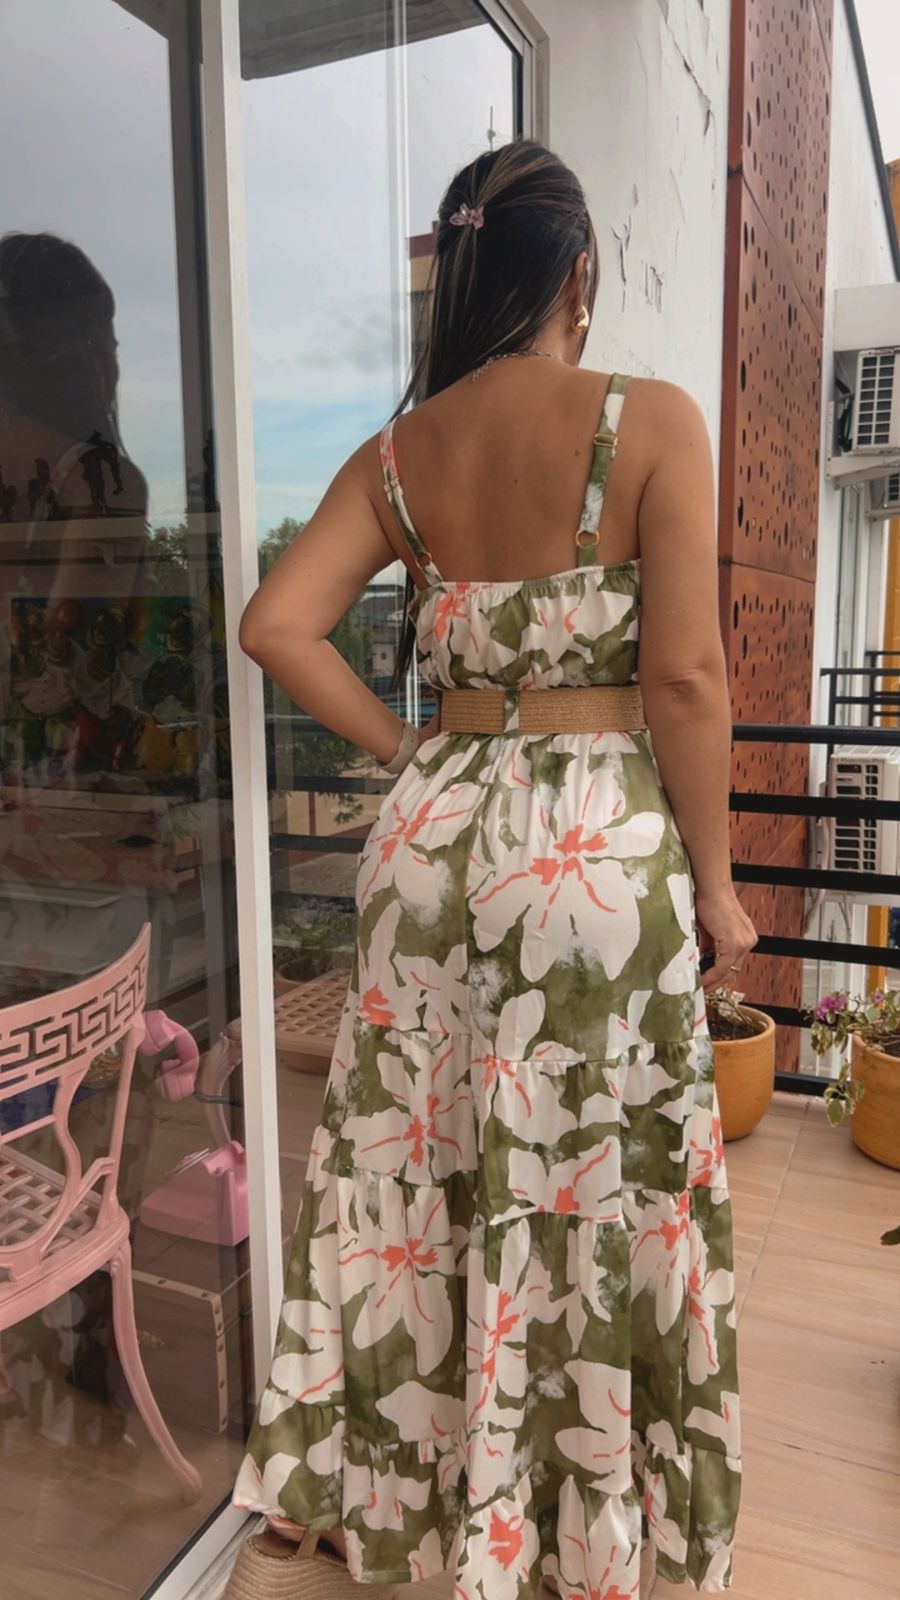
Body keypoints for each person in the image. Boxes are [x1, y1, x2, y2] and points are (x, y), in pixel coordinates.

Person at [226, 138, 757, 1600]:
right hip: (591, 860)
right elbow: (687, 680)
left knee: (421, 1169)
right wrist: (718, 887)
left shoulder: (401, 453)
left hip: (434, 844)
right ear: (578, 275)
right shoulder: (650, 421)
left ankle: (402, 1491)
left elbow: (275, 624)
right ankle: (574, 1525)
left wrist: (413, 746)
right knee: (592, 1177)